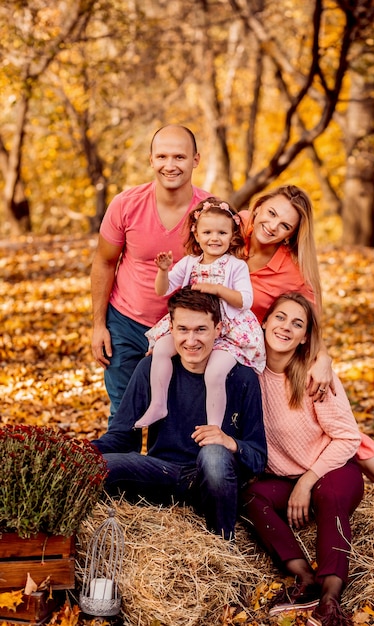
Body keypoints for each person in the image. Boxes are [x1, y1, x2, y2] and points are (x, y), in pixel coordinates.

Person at [241, 184, 374, 510]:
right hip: (217, 348)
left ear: (292, 235)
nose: (273, 225)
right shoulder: (234, 229)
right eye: (271, 213)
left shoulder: (293, 271)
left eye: (285, 225)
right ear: (258, 206)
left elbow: (311, 325)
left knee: (338, 428)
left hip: (262, 355)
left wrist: (324, 359)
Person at [92, 287, 267, 540]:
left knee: (214, 456)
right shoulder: (151, 369)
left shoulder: (241, 376)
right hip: (161, 473)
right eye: (183, 329)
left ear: (218, 330)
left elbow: (258, 458)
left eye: (201, 330)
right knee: (102, 466)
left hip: (212, 479)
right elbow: (121, 437)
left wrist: (229, 443)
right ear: (170, 328)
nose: (191, 340)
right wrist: (79, 455)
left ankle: (221, 543)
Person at [242, 292, 364, 626]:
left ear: (304, 337)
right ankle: (304, 579)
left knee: (330, 494)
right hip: (283, 478)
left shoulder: (314, 376)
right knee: (250, 498)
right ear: (264, 322)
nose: (285, 327)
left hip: (333, 472)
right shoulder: (245, 374)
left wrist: (308, 481)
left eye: (297, 324)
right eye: (279, 317)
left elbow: (349, 438)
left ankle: (330, 600)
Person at [90, 124, 211, 420]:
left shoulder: (210, 211)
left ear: (196, 159)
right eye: (162, 157)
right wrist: (98, 324)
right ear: (151, 159)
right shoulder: (125, 204)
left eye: (179, 157)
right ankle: (116, 467)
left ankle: (163, 468)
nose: (170, 166)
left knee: (173, 417)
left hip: (182, 330)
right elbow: (104, 262)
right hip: (125, 323)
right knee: (123, 413)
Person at [134, 197, 265, 429]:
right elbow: (162, 290)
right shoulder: (189, 263)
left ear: (232, 236)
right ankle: (158, 403)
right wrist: (163, 271)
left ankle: (213, 427)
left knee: (215, 372)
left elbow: (246, 300)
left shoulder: (236, 266)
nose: (214, 238)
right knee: (162, 349)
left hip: (228, 331)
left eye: (222, 233)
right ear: (196, 233)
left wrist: (216, 290)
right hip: (194, 327)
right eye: (207, 232)